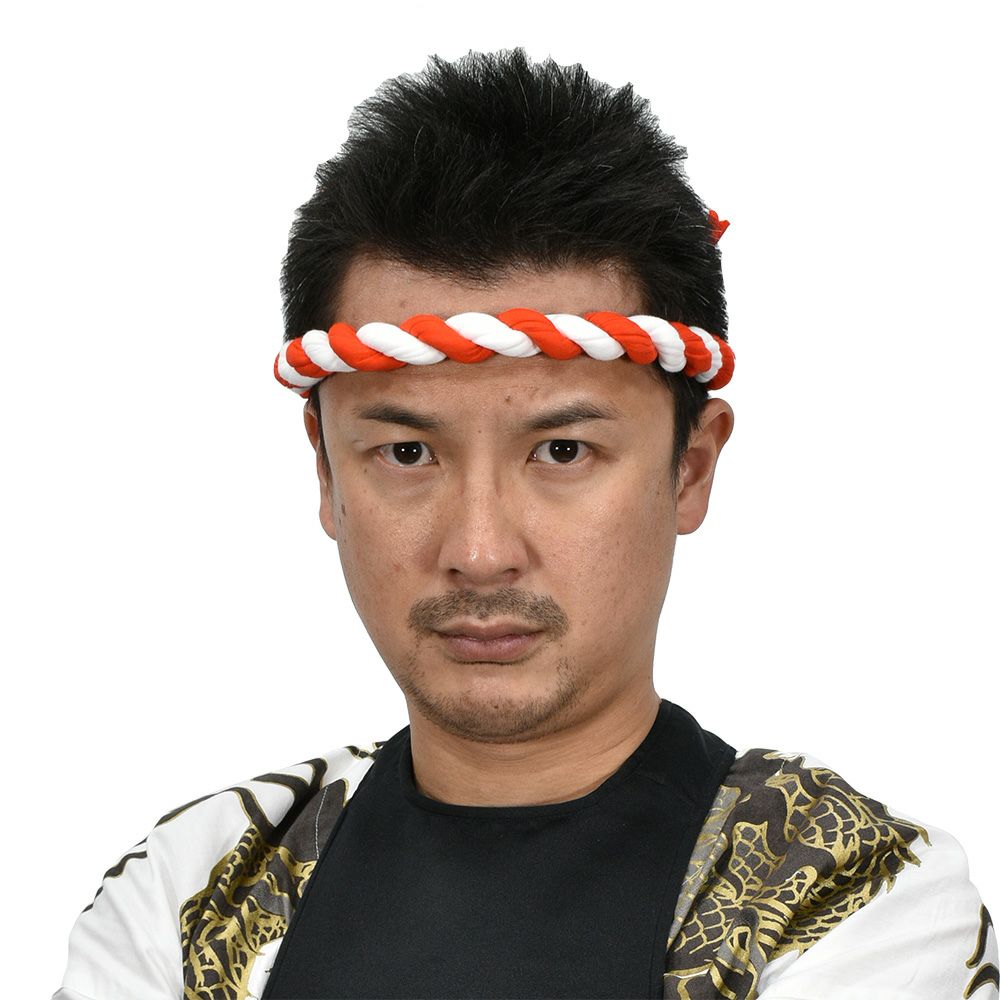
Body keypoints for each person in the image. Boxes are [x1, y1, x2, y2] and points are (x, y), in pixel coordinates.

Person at [52, 48, 997, 1000]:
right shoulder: (193, 893)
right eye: (407, 453)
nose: (478, 552)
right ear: (327, 471)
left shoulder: (850, 897)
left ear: (691, 467)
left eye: (562, 451)